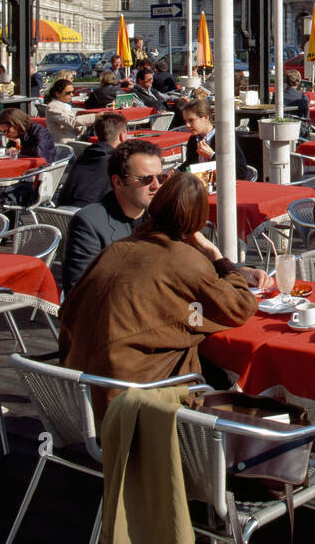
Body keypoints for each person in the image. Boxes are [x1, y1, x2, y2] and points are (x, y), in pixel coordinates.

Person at [60, 170, 263, 415]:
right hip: (136, 401)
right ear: (198, 220)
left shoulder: (117, 248)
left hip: (81, 393)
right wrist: (217, 257)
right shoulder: (184, 261)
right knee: (220, 378)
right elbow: (241, 306)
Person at [61, 139, 164, 293]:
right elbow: (80, 292)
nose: (156, 186)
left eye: (161, 178)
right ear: (118, 182)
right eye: (146, 179)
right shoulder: (89, 223)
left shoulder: (163, 215)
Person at [57, 112, 128, 207]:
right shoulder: (116, 162)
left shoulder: (84, 155)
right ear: (122, 136)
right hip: (90, 215)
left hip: (59, 214)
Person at [180, 98, 251, 180]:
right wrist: (177, 171)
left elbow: (240, 171)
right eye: (185, 121)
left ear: (206, 117)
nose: (187, 125)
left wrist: (212, 155)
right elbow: (190, 164)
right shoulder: (193, 139)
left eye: (191, 120)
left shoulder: (224, 138)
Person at [44, 77, 98, 143]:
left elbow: (75, 128)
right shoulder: (52, 106)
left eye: (73, 92)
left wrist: (86, 125)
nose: (72, 95)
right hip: (65, 145)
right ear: (57, 93)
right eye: (68, 93)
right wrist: (95, 117)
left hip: (74, 140)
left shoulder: (64, 105)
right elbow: (70, 122)